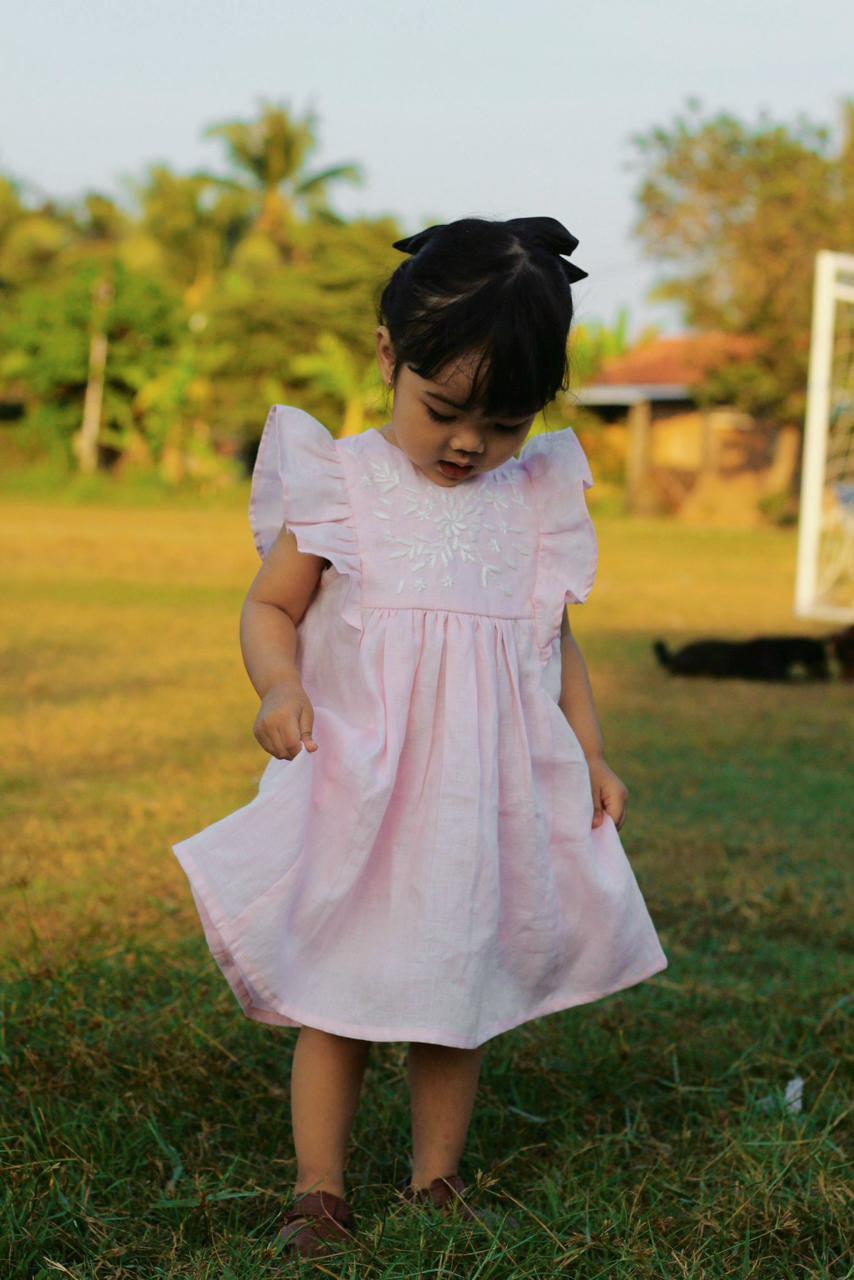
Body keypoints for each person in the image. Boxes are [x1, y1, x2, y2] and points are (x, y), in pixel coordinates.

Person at [171, 215, 668, 1259]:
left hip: (474, 798)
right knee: (340, 988)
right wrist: (277, 685)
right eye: (444, 410)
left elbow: (553, 640)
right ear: (388, 356)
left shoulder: (526, 500)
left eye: (503, 423)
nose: (467, 444)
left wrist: (590, 748)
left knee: (458, 984)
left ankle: (436, 1178)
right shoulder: (340, 481)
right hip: (361, 779)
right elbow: (269, 606)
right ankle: (319, 1188)